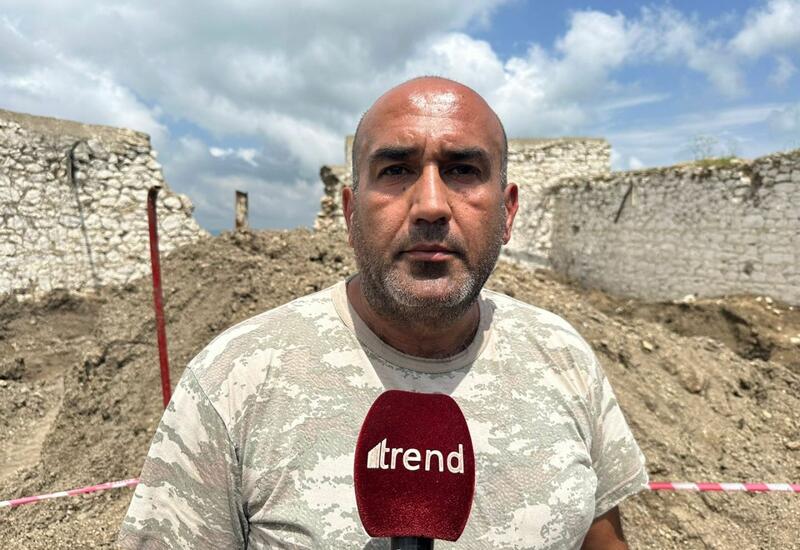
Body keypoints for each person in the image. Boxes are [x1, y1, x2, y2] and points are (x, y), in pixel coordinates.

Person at [118, 76, 648, 549]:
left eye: (463, 170)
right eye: (396, 169)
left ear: (507, 213)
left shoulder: (564, 357)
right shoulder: (235, 379)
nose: (431, 205)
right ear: (350, 214)